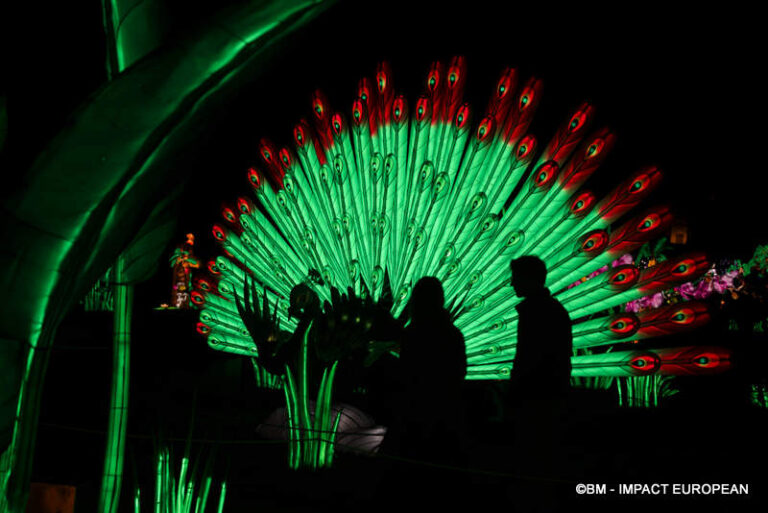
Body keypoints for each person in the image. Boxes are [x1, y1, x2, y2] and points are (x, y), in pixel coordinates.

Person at [508, 256, 572, 512]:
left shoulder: (535, 313)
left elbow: (529, 358)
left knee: (533, 458)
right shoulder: (554, 310)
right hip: (550, 395)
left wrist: (515, 390)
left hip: (535, 398)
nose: (511, 283)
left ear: (528, 279)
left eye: (516, 278)